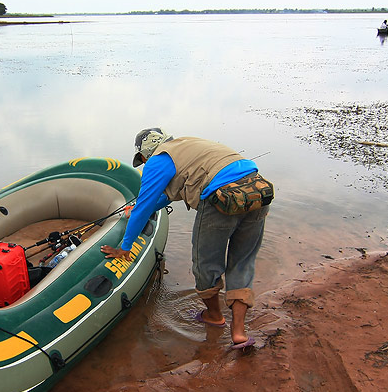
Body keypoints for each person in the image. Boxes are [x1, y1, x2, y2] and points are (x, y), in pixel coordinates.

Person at [101, 128, 270, 349]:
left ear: (146, 152)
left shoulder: (159, 160)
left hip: (220, 197)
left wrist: (125, 246)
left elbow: (144, 207)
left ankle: (214, 317)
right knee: (242, 263)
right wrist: (138, 209)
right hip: (257, 190)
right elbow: (167, 196)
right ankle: (238, 332)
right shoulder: (189, 144)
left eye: (142, 159)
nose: (144, 163)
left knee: (205, 264)